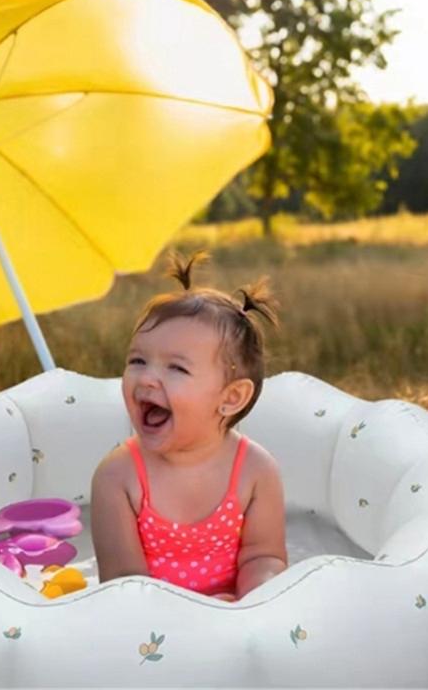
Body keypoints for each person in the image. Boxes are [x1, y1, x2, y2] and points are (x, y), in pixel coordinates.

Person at [90, 250, 288, 601]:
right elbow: (123, 586)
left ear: (231, 398)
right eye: (137, 360)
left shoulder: (256, 471)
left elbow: (264, 557)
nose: (147, 378)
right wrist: (195, 617)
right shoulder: (118, 477)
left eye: (176, 368)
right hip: (154, 638)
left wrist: (251, 602)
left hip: (233, 622)